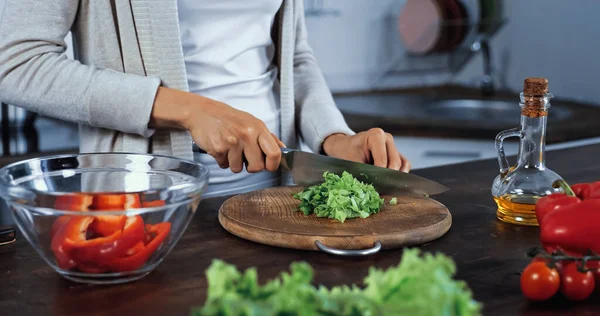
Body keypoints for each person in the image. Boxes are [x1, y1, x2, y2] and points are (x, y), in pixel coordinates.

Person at [0, 0, 410, 197]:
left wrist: (334, 138)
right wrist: (190, 110)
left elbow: (294, 56)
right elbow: (14, 63)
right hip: (143, 206)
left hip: (275, 196)